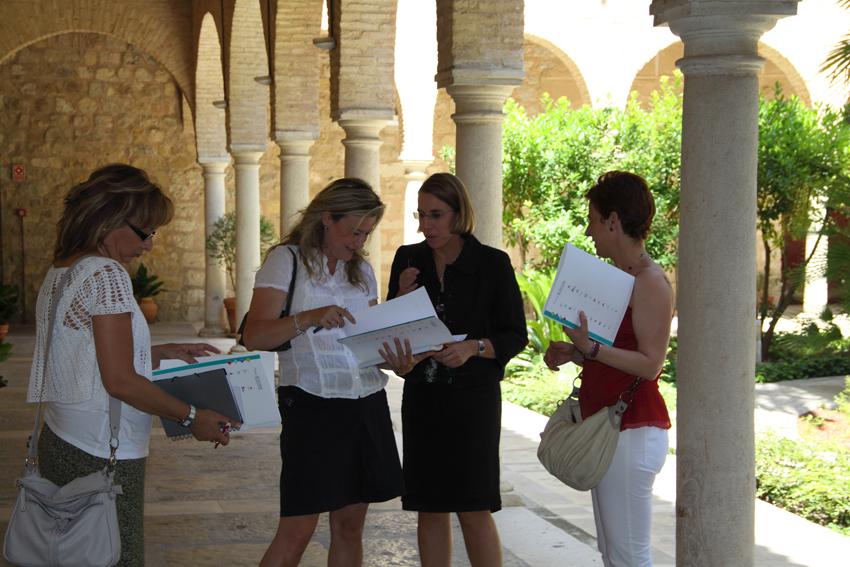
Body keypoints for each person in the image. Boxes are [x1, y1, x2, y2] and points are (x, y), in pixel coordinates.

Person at [27, 164, 236, 567]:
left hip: (62, 439)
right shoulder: (107, 274)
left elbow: (82, 354)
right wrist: (193, 417)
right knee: (113, 557)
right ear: (109, 219)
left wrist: (156, 353)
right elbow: (120, 381)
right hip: (100, 452)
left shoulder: (63, 269)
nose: (150, 245)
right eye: (146, 232)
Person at [243, 178, 403, 567]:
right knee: (297, 530)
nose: (359, 242)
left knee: (350, 528)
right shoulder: (287, 260)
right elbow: (255, 335)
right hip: (312, 408)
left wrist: (396, 359)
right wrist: (308, 318)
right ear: (327, 218)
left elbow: (365, 341)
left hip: (365, 403)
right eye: (353, 231)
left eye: (366, 233)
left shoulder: (360, 270)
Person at [380, 172, 527, 567]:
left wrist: (473, 348)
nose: (426, 225)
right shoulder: (408, 259)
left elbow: (515, 335)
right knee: (429, 507)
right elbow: (391, 332)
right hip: (423, 399)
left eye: (436, 215)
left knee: (473, 507)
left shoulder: (493, 264)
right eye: (421, 215)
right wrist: (399, 298)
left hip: (473, 403)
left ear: (459, 215)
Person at [544, 171, 672, 567]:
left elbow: (650, 364)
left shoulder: (650, 281)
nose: (589, 229)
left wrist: (592, 348)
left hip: (630, 428)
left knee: (629, 556)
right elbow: (615, 353)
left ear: (614, 221)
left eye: (594, 219)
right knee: (614, 554)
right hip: (610, 425)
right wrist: (575, 352)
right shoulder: (620, 277)